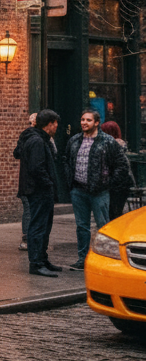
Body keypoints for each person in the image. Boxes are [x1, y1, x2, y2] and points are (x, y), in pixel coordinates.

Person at [63, 110, 131, 271]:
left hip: (100, 192)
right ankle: (82, 259)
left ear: (96, 123)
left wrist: (108, 184)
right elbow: (66, 160)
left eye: (88, 120)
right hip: (78, 190)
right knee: (82, 226)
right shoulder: (74, 141)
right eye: (82, 119)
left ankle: (106, 259)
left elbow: (121, 165)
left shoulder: (107, 141)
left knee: (104, 226)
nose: (84, 122)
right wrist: (70, 182)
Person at [19, 109, 61, 278]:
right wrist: (48, 184)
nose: (57, 126)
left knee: (44, 226)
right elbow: (37, 168)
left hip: (41, 190)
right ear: (49, 124)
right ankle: (36, 263)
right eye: (55, 123)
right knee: (38, 227)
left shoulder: (40, 139)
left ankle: (42, 260)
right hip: (38, 191)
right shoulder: (37, 141)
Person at [14, 113, 38, 251]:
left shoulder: (26, 136)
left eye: (32, 122)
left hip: (27, 181)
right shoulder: (30, 137)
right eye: (29, 122)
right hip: (29, 181)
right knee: (29, 209)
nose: (30, 125)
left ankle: (29, 239)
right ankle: (28, 239)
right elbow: (17, 153)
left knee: (29, 209)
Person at [100, 121, 133, 220]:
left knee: (113, 211)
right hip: (122, 183)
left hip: (117, 183)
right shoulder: (117, 143)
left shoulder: (114, 144)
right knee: (115, 211)